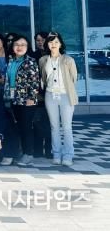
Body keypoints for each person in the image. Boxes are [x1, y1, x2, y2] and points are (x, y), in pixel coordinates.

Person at [40, 32, 78, 167]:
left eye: (56, 42)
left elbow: (73, 78)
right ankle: (56, 154)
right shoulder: (43, 60)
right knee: (54, 126)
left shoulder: (68, 60)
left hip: (66, 95)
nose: (53, 44)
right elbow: (44, 78)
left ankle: (68, 155)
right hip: (50, 95)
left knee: (67, 127)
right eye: (50, 42)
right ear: (47, 44)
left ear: (61, 44)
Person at [5, 35, 41, 166]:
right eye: (17, 44)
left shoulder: (30, 61)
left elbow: (35, 81)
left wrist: (31, 97)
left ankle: (28, 154)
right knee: (18, 127)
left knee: (26, 127)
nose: (19, 47)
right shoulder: (11, 60)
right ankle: (21, 153)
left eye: (23, 45)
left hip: (27, 100)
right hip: (13, 99)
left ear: (27, 47)